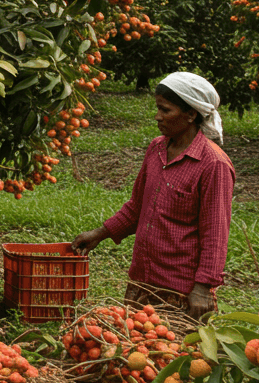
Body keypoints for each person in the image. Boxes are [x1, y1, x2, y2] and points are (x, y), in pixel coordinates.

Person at [72, 72, 234, 320]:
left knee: (172, 355)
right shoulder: (157, 148)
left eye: (165, 110)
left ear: (191, 114)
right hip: (143, 281)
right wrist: (99, 234)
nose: (157, 116)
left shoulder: (213, 165)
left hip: (181, 291)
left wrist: (203, 287)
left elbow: (216, 234)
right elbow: (138, 207)